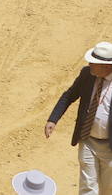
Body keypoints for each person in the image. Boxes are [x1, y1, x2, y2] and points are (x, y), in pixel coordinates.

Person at [45, 40, 112, 194]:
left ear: (107, 66)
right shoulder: (87, 74)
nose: (89, 64)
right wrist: (53, 119)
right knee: (87, 186)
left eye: (94, 63)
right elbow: (69, 95)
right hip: (88, 140)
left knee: (108, 189)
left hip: (110, 146)